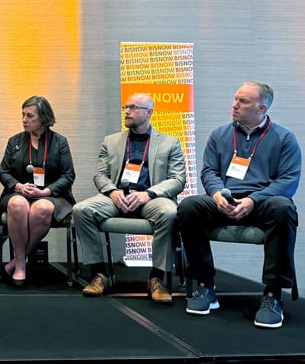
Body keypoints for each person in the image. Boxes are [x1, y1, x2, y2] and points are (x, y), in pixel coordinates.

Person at [178, 81, 300, 329]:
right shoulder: (220, 135)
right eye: (235, 99)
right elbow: (210, 171)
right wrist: (215, 195)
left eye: (243, 101)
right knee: (190, 206)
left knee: (283, 207)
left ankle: (272, 295)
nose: (234, 105)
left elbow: (288, 180)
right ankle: (205, 286)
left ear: (261, 107)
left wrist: (253, 200)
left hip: (263, 202)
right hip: (225, 199)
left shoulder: (284, 138)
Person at [73, 93, 186, 303]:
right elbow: (100, 175)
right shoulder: (111, 141)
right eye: (126, 107)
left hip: (150, 198)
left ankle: (156, 278)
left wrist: (148, 194)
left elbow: (178, 179)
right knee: (81, 210)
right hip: (116, 197)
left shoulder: (170, 143)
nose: (127, 111)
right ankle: (100, 274)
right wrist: (112, 192)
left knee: (169, 212)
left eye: (133, 107)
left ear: (149, 112)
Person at [0, 95, 76, 285]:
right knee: (17, 205)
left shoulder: (59, 142)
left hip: (50, 195)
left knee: (42, 209)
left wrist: (45, 192)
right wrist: (18, 186)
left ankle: (17, 260)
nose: (24, 119)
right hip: (19, 192)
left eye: (30, 116)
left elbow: (68, 175)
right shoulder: (14, 141)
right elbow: (3, 172)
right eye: (23, 115)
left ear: (44, 118)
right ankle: (21, 266)